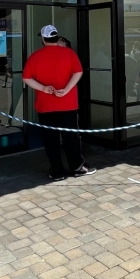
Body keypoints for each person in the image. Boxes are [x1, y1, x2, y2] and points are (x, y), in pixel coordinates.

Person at [22, 25, 95, 181]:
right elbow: (78, 72)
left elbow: (26, 78)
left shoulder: (35, 56)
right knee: (71, 137)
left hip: (45, 105)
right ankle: (77, 166)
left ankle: (57, 171)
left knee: (51, 139)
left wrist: (43, 88)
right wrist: (67, 89)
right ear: (56, 37)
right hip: (67, 104)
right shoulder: (69, 53)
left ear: (43, 38)